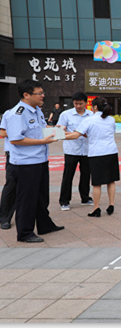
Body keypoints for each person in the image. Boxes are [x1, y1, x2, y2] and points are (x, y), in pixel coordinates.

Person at [4, 79, 64, 243]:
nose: (43, 96)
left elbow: (39, 131)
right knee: (27, 199)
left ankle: (45, 225)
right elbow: (16, 139)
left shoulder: (36, 111)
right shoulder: (17, 114)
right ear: (26, 95)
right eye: (39, 93)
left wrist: (56, 131)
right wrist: (42, 141)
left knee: (41, 197)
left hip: (40, 160)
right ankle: (25, 233)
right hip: (26, 164)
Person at [65, 97, 120, 218]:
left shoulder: (89, 120)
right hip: (111, 152)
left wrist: (59, 136)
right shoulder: (111, 119)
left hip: (97, 153)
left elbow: (76, 135)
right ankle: (111, 204)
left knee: (97, 183)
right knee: (111, 180)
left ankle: (96, 208)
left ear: (94, 107)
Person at [57, 92, 94, 210]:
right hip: (71, 150)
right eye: (76, 103)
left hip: (87, 150)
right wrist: (72, 133)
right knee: (68, 176)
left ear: (86, 103)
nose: (78, 106)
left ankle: (85, 197)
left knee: (86, 175)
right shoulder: (65, 114)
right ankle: (64, 201)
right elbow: (58, 132)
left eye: (80, 103)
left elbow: (93, 132)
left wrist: (78, 133)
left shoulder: (91, 115)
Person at [0, 111, 16, 229]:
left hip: (34, 156)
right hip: (14, 154)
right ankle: (4, 217)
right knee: (11, 185)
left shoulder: (38, 113)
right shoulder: (11, 113)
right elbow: (3, 132)